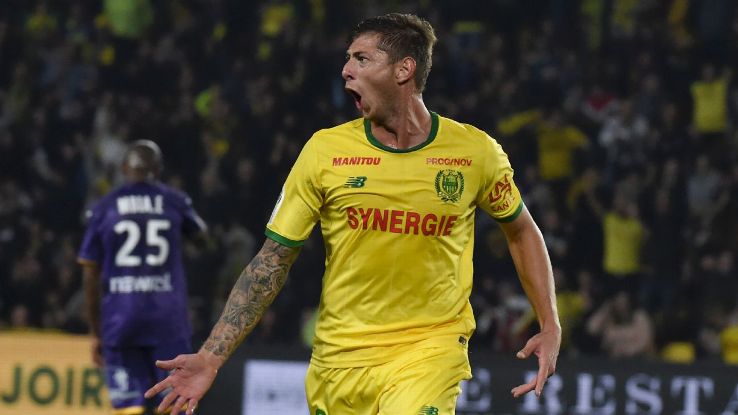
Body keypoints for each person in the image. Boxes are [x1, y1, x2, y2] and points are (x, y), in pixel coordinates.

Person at [147, 13, 560, 415]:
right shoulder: (324, 153)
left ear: (404, 69)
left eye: (361, 59)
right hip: (339, 360)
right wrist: (212, 357)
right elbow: (272, 261)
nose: (346, 70)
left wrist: (549, 322)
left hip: (428, 349)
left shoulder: (474, 152)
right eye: (347, 58)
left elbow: (521, 230)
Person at [77, 140, 208, 415]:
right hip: (167, 321)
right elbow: (202, 238)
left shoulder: (103, 209)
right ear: (158, 169)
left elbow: (90, 275)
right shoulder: (175, 201)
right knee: (174, 406)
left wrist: (97, 332)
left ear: (124, 168)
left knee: (129, 409)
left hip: (120, 322)